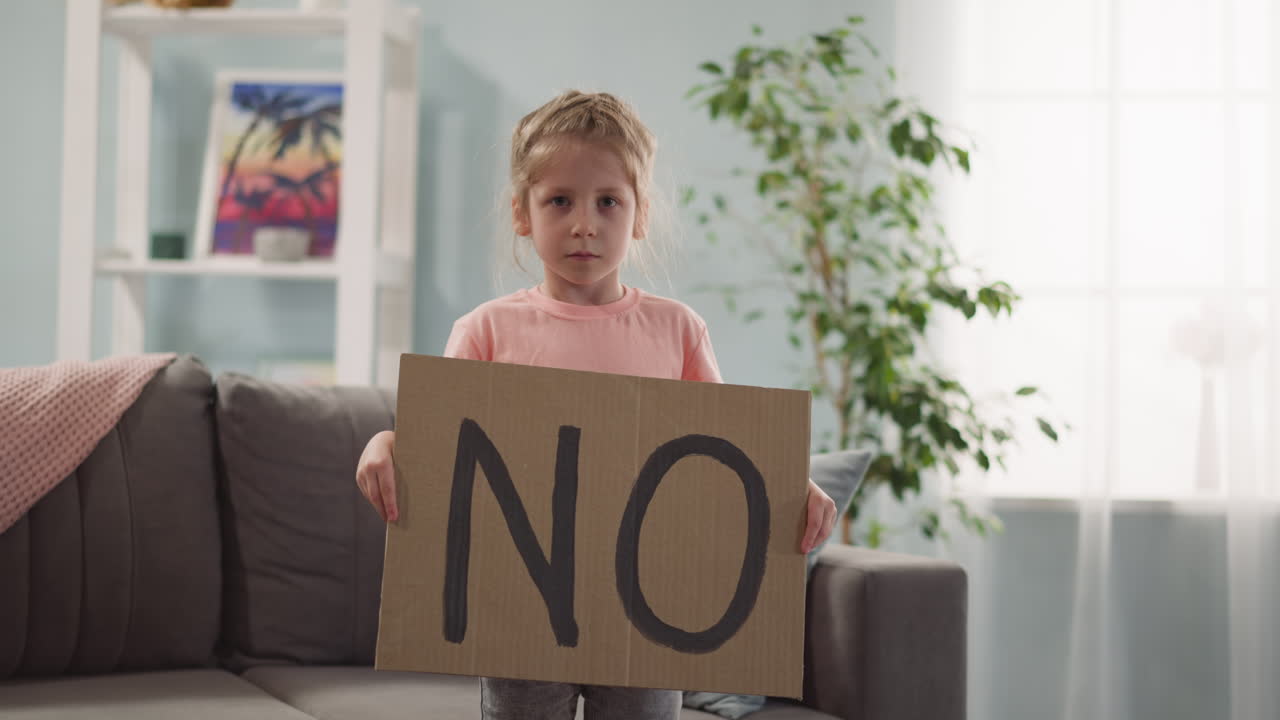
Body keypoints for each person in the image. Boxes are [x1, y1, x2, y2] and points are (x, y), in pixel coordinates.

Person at [355, 89, 836, 720]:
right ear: (522, 213)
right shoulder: (486, 330)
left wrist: (786, 488)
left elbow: (721, 458)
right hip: (520, 622)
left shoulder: (678, 331)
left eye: (609, 201)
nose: (585, 223)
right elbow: (441, 452)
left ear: (639, 216)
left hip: (647, 620)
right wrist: (385, 444)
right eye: (560, 200)